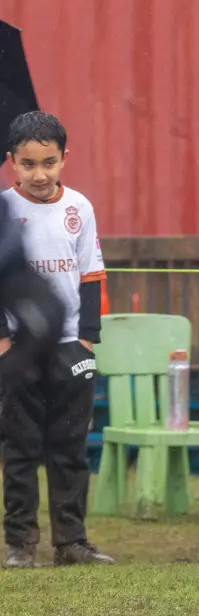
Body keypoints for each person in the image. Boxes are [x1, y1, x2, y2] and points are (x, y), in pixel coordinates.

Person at [0, 111, 113, 568]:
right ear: (11, 163)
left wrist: (87, 340)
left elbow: (91, 275)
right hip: (17, 347)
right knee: (20, 448)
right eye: (28, 164)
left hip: (70, 346)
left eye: (49, 162)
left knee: (69, 448)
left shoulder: (79, 208)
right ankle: (19, 545)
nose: (40, 174)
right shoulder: (4, 210)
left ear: (65, 158)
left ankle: (71, 542)